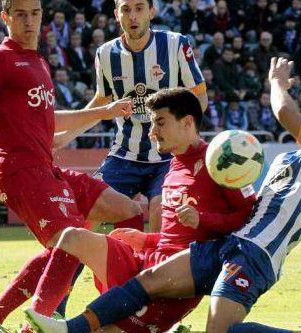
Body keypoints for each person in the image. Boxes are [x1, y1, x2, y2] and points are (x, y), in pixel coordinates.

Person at [25, 57, 301, 333]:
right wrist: (152, 239)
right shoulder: (286, 158)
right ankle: (70, 328)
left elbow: (285, 115)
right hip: (229, 244)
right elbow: (259, 210)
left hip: (257, 254)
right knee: (150, 280)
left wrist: (277, 82)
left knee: (220, 332)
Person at [0, 0, 142, 331]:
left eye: (34, 13)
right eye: (20, 14)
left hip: (47, 169)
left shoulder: (39, 63)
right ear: (5, 17)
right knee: (74, 242)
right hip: (20, 171)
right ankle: (37, 324)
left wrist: (104, 112)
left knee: (128, 209)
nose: (29, 21)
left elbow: (48, 118)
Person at [27, 88, 255, 333]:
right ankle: (36, 322)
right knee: (72, 236)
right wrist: (146, 239)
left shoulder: (219, 161)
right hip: (148, 261)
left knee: (107, 330)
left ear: (187, 122)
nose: (152, 132)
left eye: (159, 122)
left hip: (175, 281)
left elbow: (248, 218)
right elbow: (174, 237)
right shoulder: (175, 164)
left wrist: (203, 220)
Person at [55, 0, 208, 233]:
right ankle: (66, 269)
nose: (133, 16)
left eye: (139, 8)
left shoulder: (176, 45)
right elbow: (101, 102)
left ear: (152, 11)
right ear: (117, 14)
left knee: (159, 209)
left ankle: (151, 268)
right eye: (126, 9)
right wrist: (66, 136)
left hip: (168, 156)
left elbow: (200, 97)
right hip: (125, 154)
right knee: (89, 208)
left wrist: (182, 135)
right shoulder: (105, 53)